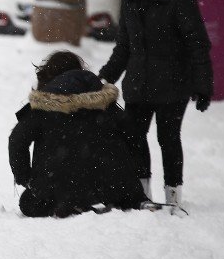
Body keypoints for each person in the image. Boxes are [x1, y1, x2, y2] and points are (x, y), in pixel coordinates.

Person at [98, 0, 213, 212]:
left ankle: (173, 196)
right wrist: (104, 78)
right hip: (138, 83)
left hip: (174, 84)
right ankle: (142, 194)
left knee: (168, 138)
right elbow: (124, 46)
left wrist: (203, 84)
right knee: (134, 137)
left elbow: (197, 43)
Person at [8, 51, 149, 217]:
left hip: (59, 189)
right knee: (121, 193)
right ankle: (123, 199)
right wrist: (136, 178)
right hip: (113, 187)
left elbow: (17, 141)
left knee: (29, 202)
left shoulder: (42, 108)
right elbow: (134, 134)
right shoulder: (105, 103)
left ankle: (73, 203)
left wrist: (26, 179)